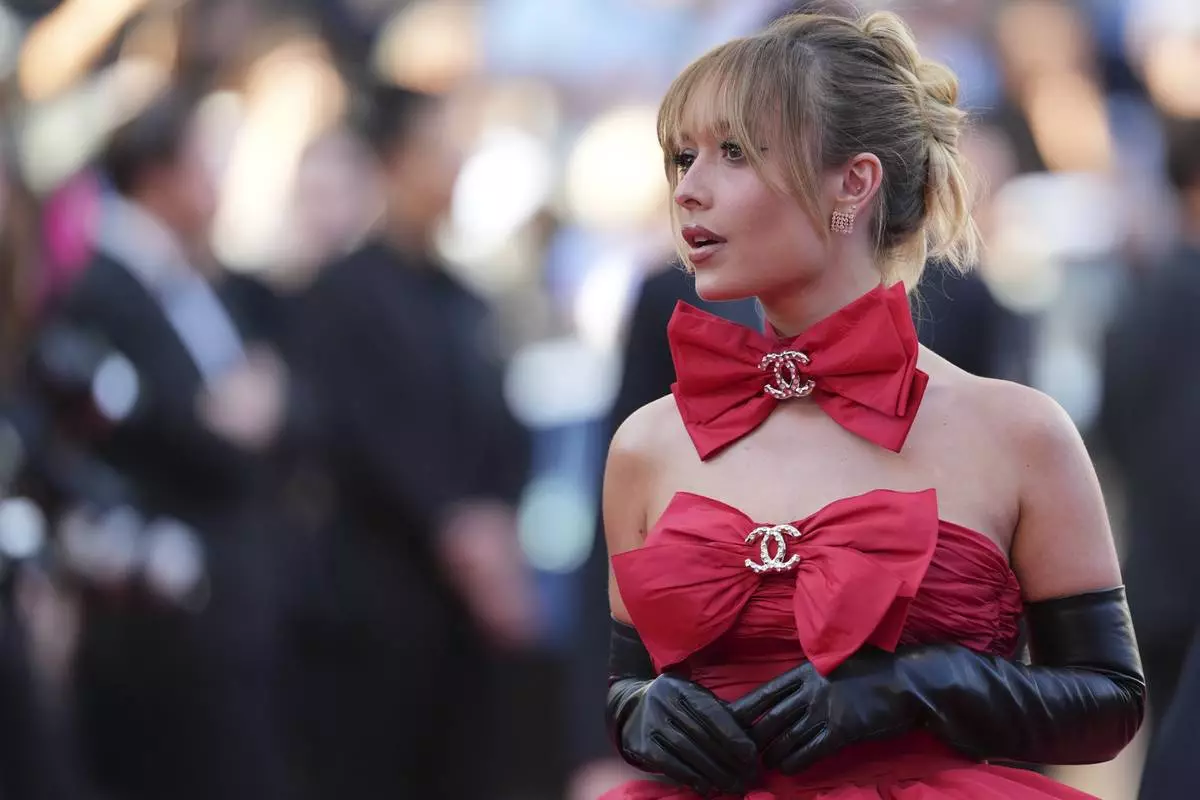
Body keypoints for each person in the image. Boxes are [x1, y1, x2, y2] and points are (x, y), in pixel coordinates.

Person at [601, 11, 1144, 800]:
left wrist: (921, 685)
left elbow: (1110, 702)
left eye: (734, 153)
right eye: (683, 157)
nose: (689, 190)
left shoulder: (1017, 431)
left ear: (853, 181)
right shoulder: (646, 444)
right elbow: (626, 677)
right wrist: (639, 712)